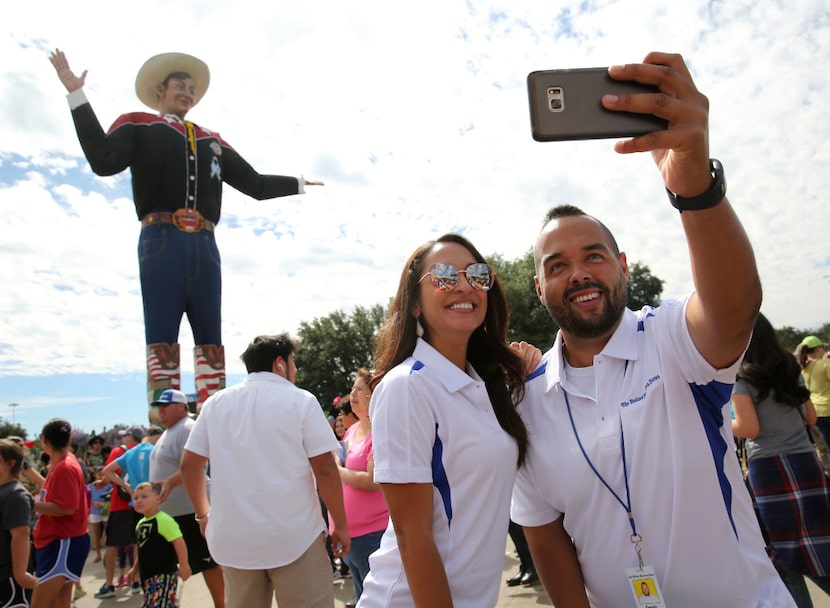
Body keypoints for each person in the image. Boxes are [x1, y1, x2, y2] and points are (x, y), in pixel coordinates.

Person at [510, 52, 795, 607]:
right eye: (557, 265)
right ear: (539, 287)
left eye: (594, 255)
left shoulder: (668, 337)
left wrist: (694, 187)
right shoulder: (526, 404)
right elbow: (542, 531)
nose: (580, 273)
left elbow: (734, 308)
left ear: (622, 263)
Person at [48, 49, 324, 409]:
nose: (187, 93)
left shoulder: (211, 139)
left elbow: (253, 184)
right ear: (160, 89)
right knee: (162, 333)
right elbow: (103, 160)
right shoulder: (138, 123)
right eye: (180, 85)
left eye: (192, 88)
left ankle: (215, 414)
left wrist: (299, 183)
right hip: (161, 239)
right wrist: (76, 95)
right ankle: (166, 416)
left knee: (210, 335)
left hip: (205, 244)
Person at [358, 233, 530, 608]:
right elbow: (411, 533)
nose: (465, 285)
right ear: (415, 305)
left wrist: (527, 372)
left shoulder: (483, 386)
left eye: (477, 275)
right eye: (445, 276)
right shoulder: (407, 386)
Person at [181, 333, 350, 608]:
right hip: (296, 538)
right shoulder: (301, 401)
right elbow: (326, 470)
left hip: (235, 541)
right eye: (294, 364)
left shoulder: (215, 404)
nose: (295, 371)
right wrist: (340, 524)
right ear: (280, 364)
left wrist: (203, 515)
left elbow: (190, 466)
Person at [733, 314, 830, 607]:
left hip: (769, 471)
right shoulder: (790, 366)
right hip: (805, 464)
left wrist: (725, 423)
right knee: (821, 546)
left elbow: (750, 429)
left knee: (784, 558)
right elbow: (810, 417)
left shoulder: (741, 375)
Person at [149, 389, 224, 608]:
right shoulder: (170, 431)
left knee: (208, 564)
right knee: (168, 565)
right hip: (170, 515)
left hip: (190, 512)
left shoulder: (187, 428)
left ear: (182, 406)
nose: (161, 411)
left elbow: (195, 465)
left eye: (166, 406)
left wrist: (169, 483)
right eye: (159, 407)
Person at [335, 368, 389, 608]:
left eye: (359, 389)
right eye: (352, 388)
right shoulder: (352, 431)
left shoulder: (380, 429)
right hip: (351, 535)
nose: (352, 393)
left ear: (373, 395)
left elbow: (371, 480)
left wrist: (337, 471)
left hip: (373, 534)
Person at [31, 418, 90, 608]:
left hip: (62, 542)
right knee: (60, 603)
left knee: (40, 604)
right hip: (59, 542)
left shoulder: (65, 466)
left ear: (45, 441)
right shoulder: (62, 463)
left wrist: (30, 504)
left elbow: (67, 508)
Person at [94, 425, 142, 599]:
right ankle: (136, 580)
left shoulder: (118, 452)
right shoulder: (141, 453)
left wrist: (102, 482)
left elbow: (108, 474)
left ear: (130, 437)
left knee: (112, 545)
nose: (123, 439)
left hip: (119, 505)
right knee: (136, 543)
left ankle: (109, 584)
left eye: (126, 436)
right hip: (137, 505)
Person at [128, 482, 191, 608]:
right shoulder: (140, 523)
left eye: (144, 497)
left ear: (158, 499)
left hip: (164, 574)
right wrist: (135, 568)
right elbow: (143, 548)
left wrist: (184, 565)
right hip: (147, 575)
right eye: (136, 498)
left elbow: (179, 541)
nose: (139, 500)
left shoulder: (164, 520)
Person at [0, 439, 37, 607]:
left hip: (9, 580)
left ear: (10, 463)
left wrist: (20, 574)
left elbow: (21, 534)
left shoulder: (15, 495)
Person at [797, 336, 830, 450]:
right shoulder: (825, 364)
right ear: (818, 349)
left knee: (826, 446)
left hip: (815, 411)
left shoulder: (802, 367)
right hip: (828, 407)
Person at [88, 466, 110, 563]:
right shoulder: (90, 487)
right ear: (95, 475)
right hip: (94, 511)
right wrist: (94, 503)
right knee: (96, 534)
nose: (101, 476)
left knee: (108, 532)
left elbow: (111, 497)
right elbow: (86, 498)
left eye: (103, 474)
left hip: (105, 510)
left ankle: (108, 553)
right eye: (99, 474)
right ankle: (98, 554)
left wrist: (105, 504)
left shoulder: (109, 486)